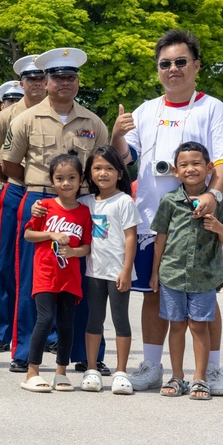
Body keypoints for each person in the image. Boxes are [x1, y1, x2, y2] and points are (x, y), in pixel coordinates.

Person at [112, 29, 223, 395]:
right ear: (158, 71)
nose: (173, 69)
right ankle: (152, 365)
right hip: (154, 220)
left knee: (204, 299)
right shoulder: (145, 110)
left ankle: (212, 370)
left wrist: (214, 194)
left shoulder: (212, 107)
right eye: (165, 64)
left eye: (180, 62)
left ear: (196, 66)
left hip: (199, 222)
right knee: (153, 292)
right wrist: (118, 133)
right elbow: (125, 158)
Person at [2, 48, 108, 374]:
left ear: (78, 82)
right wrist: (38, 190)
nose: (65, 82)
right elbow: (8, 163)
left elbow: (104, 162)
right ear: (45, 81)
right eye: (58, 76)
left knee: (87, 280)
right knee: (31, 282)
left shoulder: (93, 121)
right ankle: (23, 353)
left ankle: (86, 355)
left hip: (83, 206)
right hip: (40, 204)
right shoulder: (24, 119)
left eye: (71, 77)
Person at [151, 142, 223, 400]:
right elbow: (161, 239)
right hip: (172, 273)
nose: (191, 169)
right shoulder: (170, 201)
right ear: (176, 171)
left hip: (205, 277)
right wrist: (155, 272)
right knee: (176, 326)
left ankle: (200, 378)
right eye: (184, 165)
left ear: (209, 168)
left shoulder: (218, 202)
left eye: (197, 163)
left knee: (199, 326)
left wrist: (217, 227)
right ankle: (177, 376)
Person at [0, 59, 47, 348]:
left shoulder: (60, 111)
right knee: (6, 263)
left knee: (50, 264)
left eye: (42, 77)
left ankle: (49, 332)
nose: (37, 83)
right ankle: (3, 330)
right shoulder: (6, 117)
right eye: (30, 78)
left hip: (52, 194)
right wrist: (11, 181)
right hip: (16, 191)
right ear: (21, 83)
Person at [19, 153, 91, 392]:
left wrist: (73, 252)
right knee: (45, 318)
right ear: (52, 181)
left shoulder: (83, 212)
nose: (66, 183)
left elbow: (87, 247)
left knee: (66, 323)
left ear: (81, 179)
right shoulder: (44, 207)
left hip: (70, 277)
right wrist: (50, 235)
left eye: (72, 177)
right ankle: (32, 371)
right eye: (60, 178)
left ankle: (61, 372)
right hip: (45, 273)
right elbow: (29, 235)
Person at [78, 146, 139, 394]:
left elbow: (130, 238)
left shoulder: (124, 201)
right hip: (93, 272)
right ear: (89, 173)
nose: (103, 173)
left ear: (120, 173)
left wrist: (126, 270)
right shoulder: (84, 203)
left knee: (120, 320)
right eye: (97, 168)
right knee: (94, 320)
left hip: (117, 273)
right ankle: (91, 369)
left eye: (110, 168)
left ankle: (121, 372)